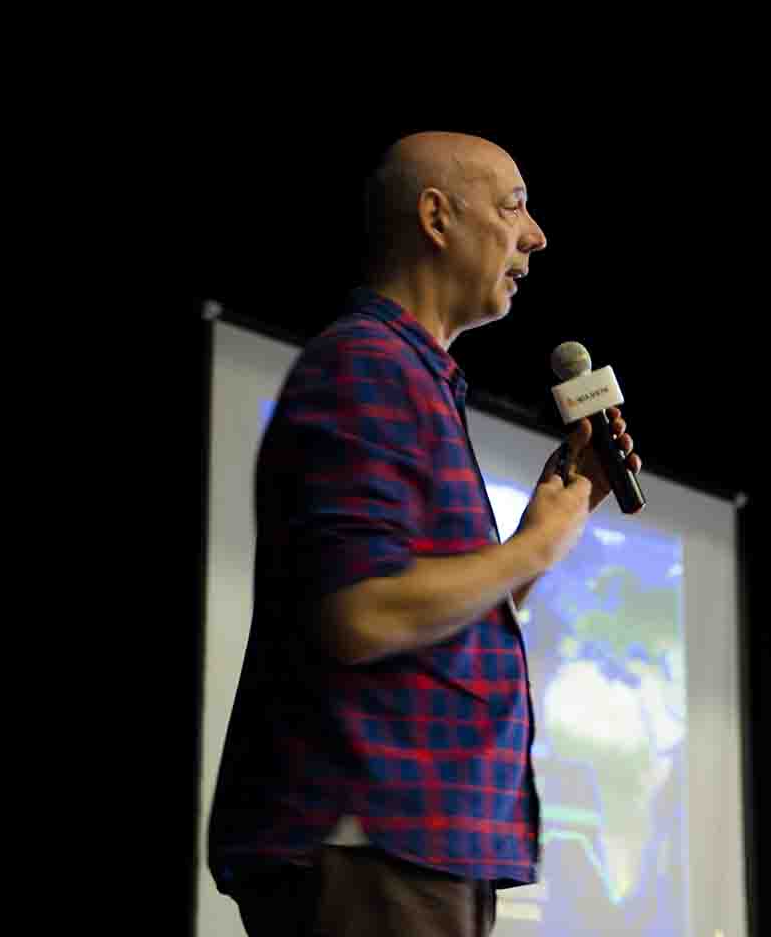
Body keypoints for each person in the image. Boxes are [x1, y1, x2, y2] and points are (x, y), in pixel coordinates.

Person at [207, 132, 641, 936]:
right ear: (437, 217)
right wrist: (534, 545)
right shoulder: (366, 367)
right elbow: (360, 614)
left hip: (416, 847)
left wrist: (564, 510)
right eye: (514, 206)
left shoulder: (415, 379)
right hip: (369, 838)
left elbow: (427, 610)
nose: (537, 235)